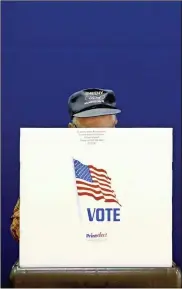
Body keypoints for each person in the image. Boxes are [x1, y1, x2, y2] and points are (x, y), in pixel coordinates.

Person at [10, 88, 121, 241]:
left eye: (107, 131)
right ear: (71, 130)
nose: (99, 138)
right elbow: (19, 229)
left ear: (116, 124)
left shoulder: (139, 163)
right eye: (90, 132)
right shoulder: (49, 166)